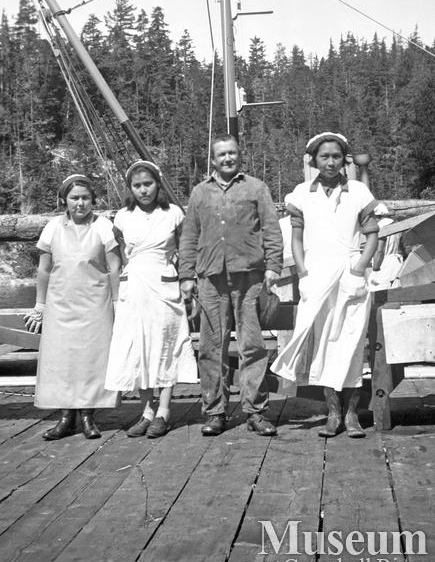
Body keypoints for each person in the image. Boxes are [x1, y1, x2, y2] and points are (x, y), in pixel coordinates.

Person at [271, 132, 379, 439]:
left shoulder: (357, 191)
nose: (330, 162)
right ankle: (333, 413)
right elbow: (296, 237)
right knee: (323, 343)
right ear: (313, 160)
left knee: (353, 342)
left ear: (343, 159)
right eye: (324, 157)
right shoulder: (303, 193)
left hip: (350, 271)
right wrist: (303, 271)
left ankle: (352, 414)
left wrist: (359, 266)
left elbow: (372, 233)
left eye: (335, 156)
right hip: (317, 274)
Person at [179, 134, 283, 437]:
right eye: (221, 154)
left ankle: (256, 411)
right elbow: (189, 237)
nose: (227, 158)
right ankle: (215, 412)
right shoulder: (200, 193)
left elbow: (271, 229)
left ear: (240, 155)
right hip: (210, 279)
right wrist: (186, 276)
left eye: (232, 153)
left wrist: (273, 266)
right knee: (212, 348)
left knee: (252, 345)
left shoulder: (256, 188)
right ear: (213, 159)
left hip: (249, 278)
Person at [104, 160, 197, 438]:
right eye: (137, 186)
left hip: (165, 286)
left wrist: (186, 282)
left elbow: (185, 250)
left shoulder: (173, 214)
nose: (144, 190)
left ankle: (164, 412)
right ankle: (146, 411)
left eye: (148, 184)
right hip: (135, 287)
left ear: (158, 184)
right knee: (140, 346)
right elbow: (120, 253)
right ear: (130, 189)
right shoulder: (122, 217)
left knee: (166, 344)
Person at [25, 174, 121, 440]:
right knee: (62, 361)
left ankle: (89, 417)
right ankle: (66, 418)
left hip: (95, 304)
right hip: (60, 305)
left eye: (86, 198)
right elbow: (43, 270)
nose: (80, 203)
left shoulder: (103, 226)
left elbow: (114, 268)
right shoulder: (53, 227)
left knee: (92, 360)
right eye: (75, 198)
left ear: (93, 200)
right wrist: (40, 305)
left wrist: (116, 303)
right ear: (64, 200)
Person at [370, 203, 403, 290]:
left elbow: (380, 250)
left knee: (376, 290)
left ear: (376, 215)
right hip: (397, 261)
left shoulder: (380, 227)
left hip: (384, 262)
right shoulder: (397, 225)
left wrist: (376, 268)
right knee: (394, 290)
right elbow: (401, 246)